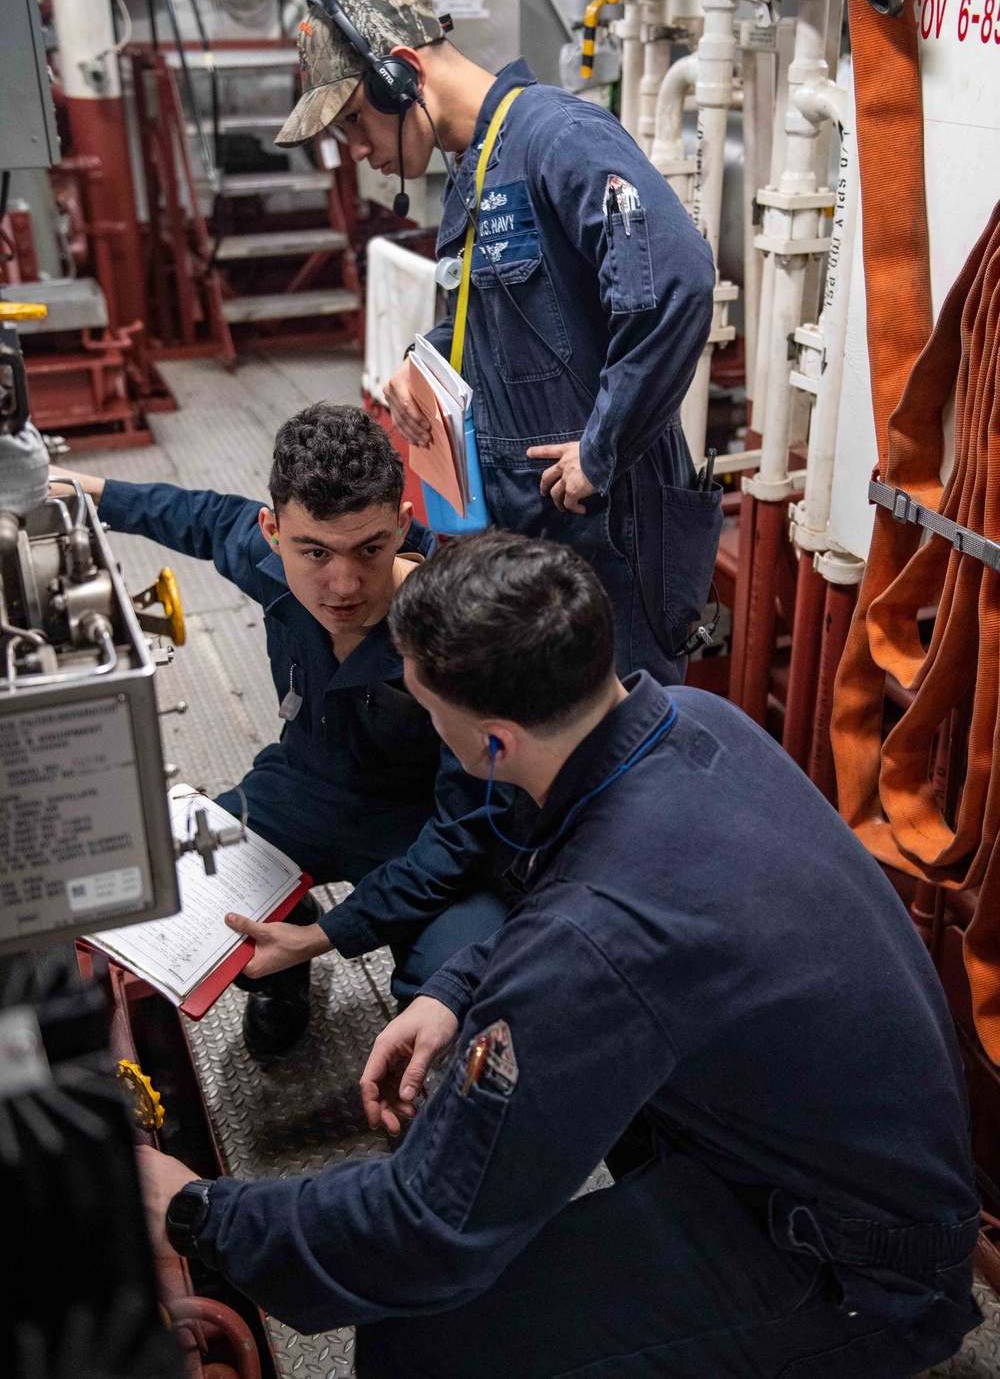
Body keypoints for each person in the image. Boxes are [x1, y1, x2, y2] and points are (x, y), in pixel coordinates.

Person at [139, 533, 981, 1379]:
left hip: (857, 1268)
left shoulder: (592, 945)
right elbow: (581, 890)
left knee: (421, 1341)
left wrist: (195, 1211)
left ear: (493, 745)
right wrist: (458, 987)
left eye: (427, 707)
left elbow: (424, 1223)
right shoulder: (691, 720)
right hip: (832, 1162)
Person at [274, 0, 721, 684]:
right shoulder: (477, 167)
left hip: (606, 527)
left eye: (355, 119)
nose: (357, 148)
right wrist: (421, 367)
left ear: (402, 76)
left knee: (620, 745)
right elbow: (516, 322)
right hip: (534, 527)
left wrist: (601, 450)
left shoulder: (557, 138)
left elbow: (675, 282)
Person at [55, 405, 510, 1060]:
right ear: (273, 532)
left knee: (466, 982)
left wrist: (334, 935)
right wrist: (78, 490)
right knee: (177, 903)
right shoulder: (266, 561)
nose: (344, 583)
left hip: (422, 826)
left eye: (370, 549)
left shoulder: (454, 629)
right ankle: (280, 969)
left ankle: (308, 948)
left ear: (403, 526)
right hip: (302, 788)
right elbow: (202, 516)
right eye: (314, 551)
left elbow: (463, 834)